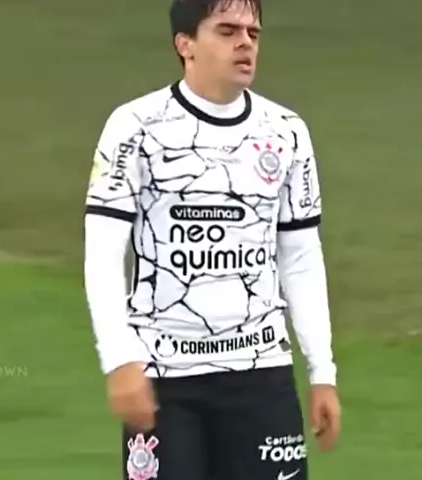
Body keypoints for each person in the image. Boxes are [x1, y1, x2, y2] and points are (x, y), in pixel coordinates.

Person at [83, 0, 341, 479]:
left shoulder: (287, 132)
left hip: (262, 373)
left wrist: (322, 372)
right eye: (227, 31)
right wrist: (119, 360)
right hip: (165, 377)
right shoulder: (135, 127)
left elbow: (301, 258)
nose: (245, 43)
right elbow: (102, 253)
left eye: (253, 33)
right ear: (185, 45)